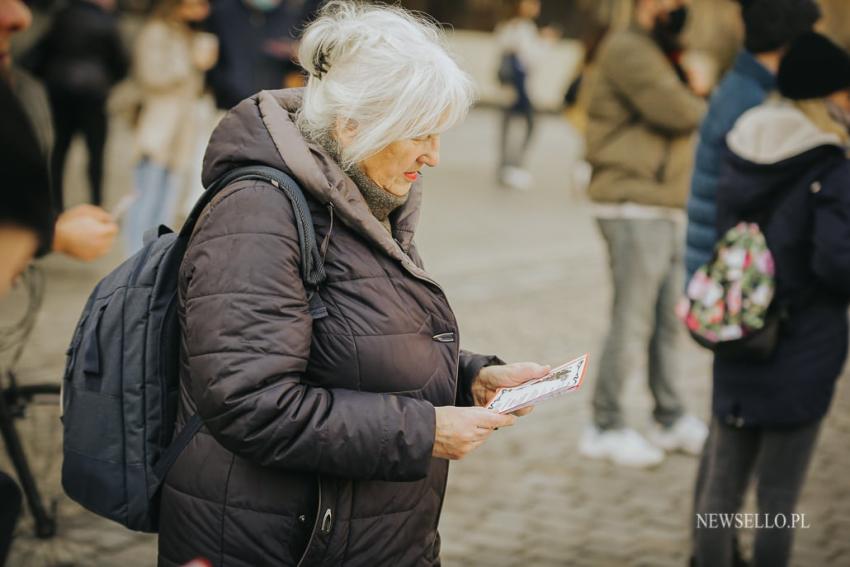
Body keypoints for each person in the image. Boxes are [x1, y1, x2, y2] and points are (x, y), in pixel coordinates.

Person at [156, 3, 549, 565]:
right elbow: (251, 402)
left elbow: (353, 344)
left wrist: (471, 377)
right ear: (354, 126)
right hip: (276, 542)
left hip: (360, 535)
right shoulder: (257, 213)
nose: (434, 157)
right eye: (420, 133)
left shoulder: (363, 196)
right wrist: (423, 432)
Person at [693, 32, 850, 567]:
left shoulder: (739, 145)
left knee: (721, 492)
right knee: (779, 502)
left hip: (740, 336)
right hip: (803, 345)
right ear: (825, 96)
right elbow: (836, 264)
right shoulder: (830, 165)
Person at [579, 0, 708, 468]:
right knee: (631, 319)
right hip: (631, 202)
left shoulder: (659, 49)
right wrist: (698, 88)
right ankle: (604, 424)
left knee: (666, 320)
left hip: (660, 203)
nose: (678, 7)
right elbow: (678, 111)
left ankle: (670, 416)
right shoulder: (630, 48)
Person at [684, 0, 821, 283]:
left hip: (722, 256)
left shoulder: (752, 87)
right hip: (725, 266)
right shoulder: (750, 100)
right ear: (787, 40)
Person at [124, 0, 217, 253]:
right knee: (146, 195)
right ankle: (134, 256)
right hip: (158, 125)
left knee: (167, 199)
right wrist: (192, 63)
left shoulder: (189, 33)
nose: (201, 10)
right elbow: (151, 75)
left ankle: (153, 256)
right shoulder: (156, 31)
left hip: (181, 129)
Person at [22, 0, 128, 211]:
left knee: (60, 150)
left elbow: (36, 55)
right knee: (96, 152)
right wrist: (105, 80)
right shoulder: (106, 21)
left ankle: (55, 204)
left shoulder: (62, 16)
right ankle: (96, 202)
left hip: (61, 93)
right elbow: (122, 62)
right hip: (93, 94)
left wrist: (52, 76)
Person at [206, 0, 324, 110]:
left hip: (276, 107)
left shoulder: (294, 14)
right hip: (228, 105)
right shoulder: (222, 13)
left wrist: (298, 53)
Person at [495, 0, 555, 191]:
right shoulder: (524, 28)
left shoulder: (506, 26)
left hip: (508, 89)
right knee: (526, 126)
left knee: (508, 127)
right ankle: (513, 167)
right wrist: (546, 42)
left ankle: (505, 168)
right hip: (520, 89)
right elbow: (530, 59)